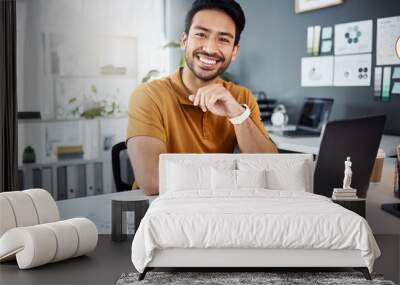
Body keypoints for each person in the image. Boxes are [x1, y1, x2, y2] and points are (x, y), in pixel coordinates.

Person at [126, 0, 277, 195]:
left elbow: (272, 169)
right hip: (158, 211)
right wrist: (236, 176)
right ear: (184, 41)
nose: (210, 48)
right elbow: (153, 180)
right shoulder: (148, 95)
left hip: (217, 211)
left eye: (223, 39)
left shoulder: (241, 97)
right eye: (201, 34)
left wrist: (238, 115)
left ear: (234, 51)